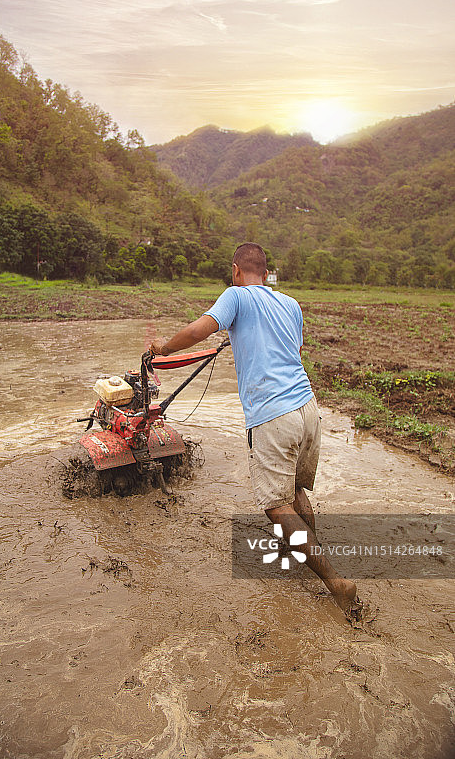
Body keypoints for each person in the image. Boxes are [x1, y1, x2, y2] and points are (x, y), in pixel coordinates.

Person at [150, 242, 362, 620]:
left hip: (272, 413)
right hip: (307, 408)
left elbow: (200, 329)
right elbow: (291, 348)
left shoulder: (235, 296)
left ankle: (336, 583)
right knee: (294, 489)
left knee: (276, 506)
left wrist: (163, 349)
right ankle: (306, 553)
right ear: (266, 273)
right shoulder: (291, 304)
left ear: (236, 271)